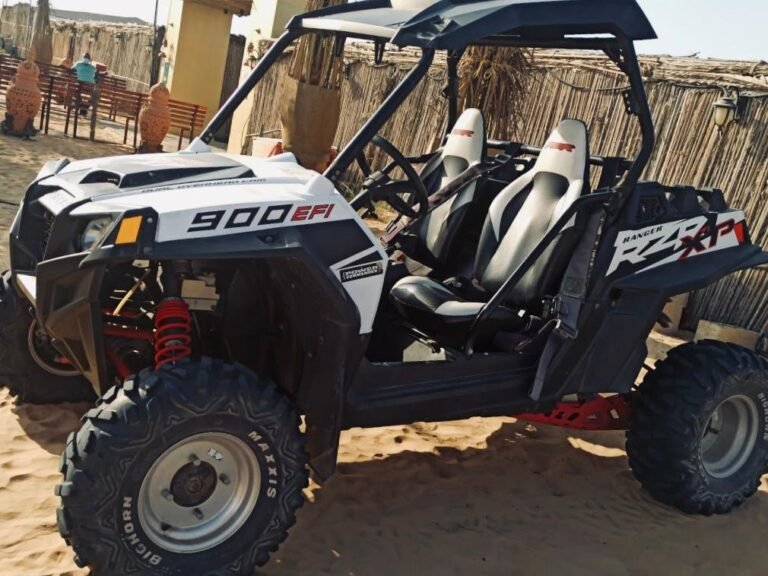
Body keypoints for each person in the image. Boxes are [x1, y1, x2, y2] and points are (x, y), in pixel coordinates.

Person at [71, 53, 97, 117]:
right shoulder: (93, 67)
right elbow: (95, 74)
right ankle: (84, 108)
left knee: (74, 91)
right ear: (89, 59)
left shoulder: (78, 64)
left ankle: (81, 106)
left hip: (80, 86)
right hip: (89, 88)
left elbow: (71, 70)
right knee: (94, 95)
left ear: (82, 58)